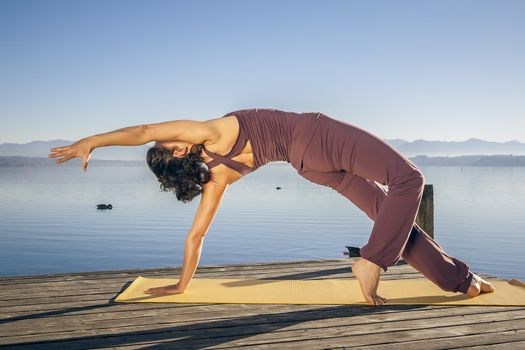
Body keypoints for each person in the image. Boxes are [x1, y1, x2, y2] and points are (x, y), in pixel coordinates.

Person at [48, 108, 495, 306]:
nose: (169, 134)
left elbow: (196, 235)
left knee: (388, 213)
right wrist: (93, 141)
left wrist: (181, 286)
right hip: (314, 138)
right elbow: (145, 129)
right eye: (168, 142)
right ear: (179, 151)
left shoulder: (217, 177)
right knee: (409, 179)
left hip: (308, 167)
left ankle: (460, 281)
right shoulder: (208, 132)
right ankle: (372, 261)